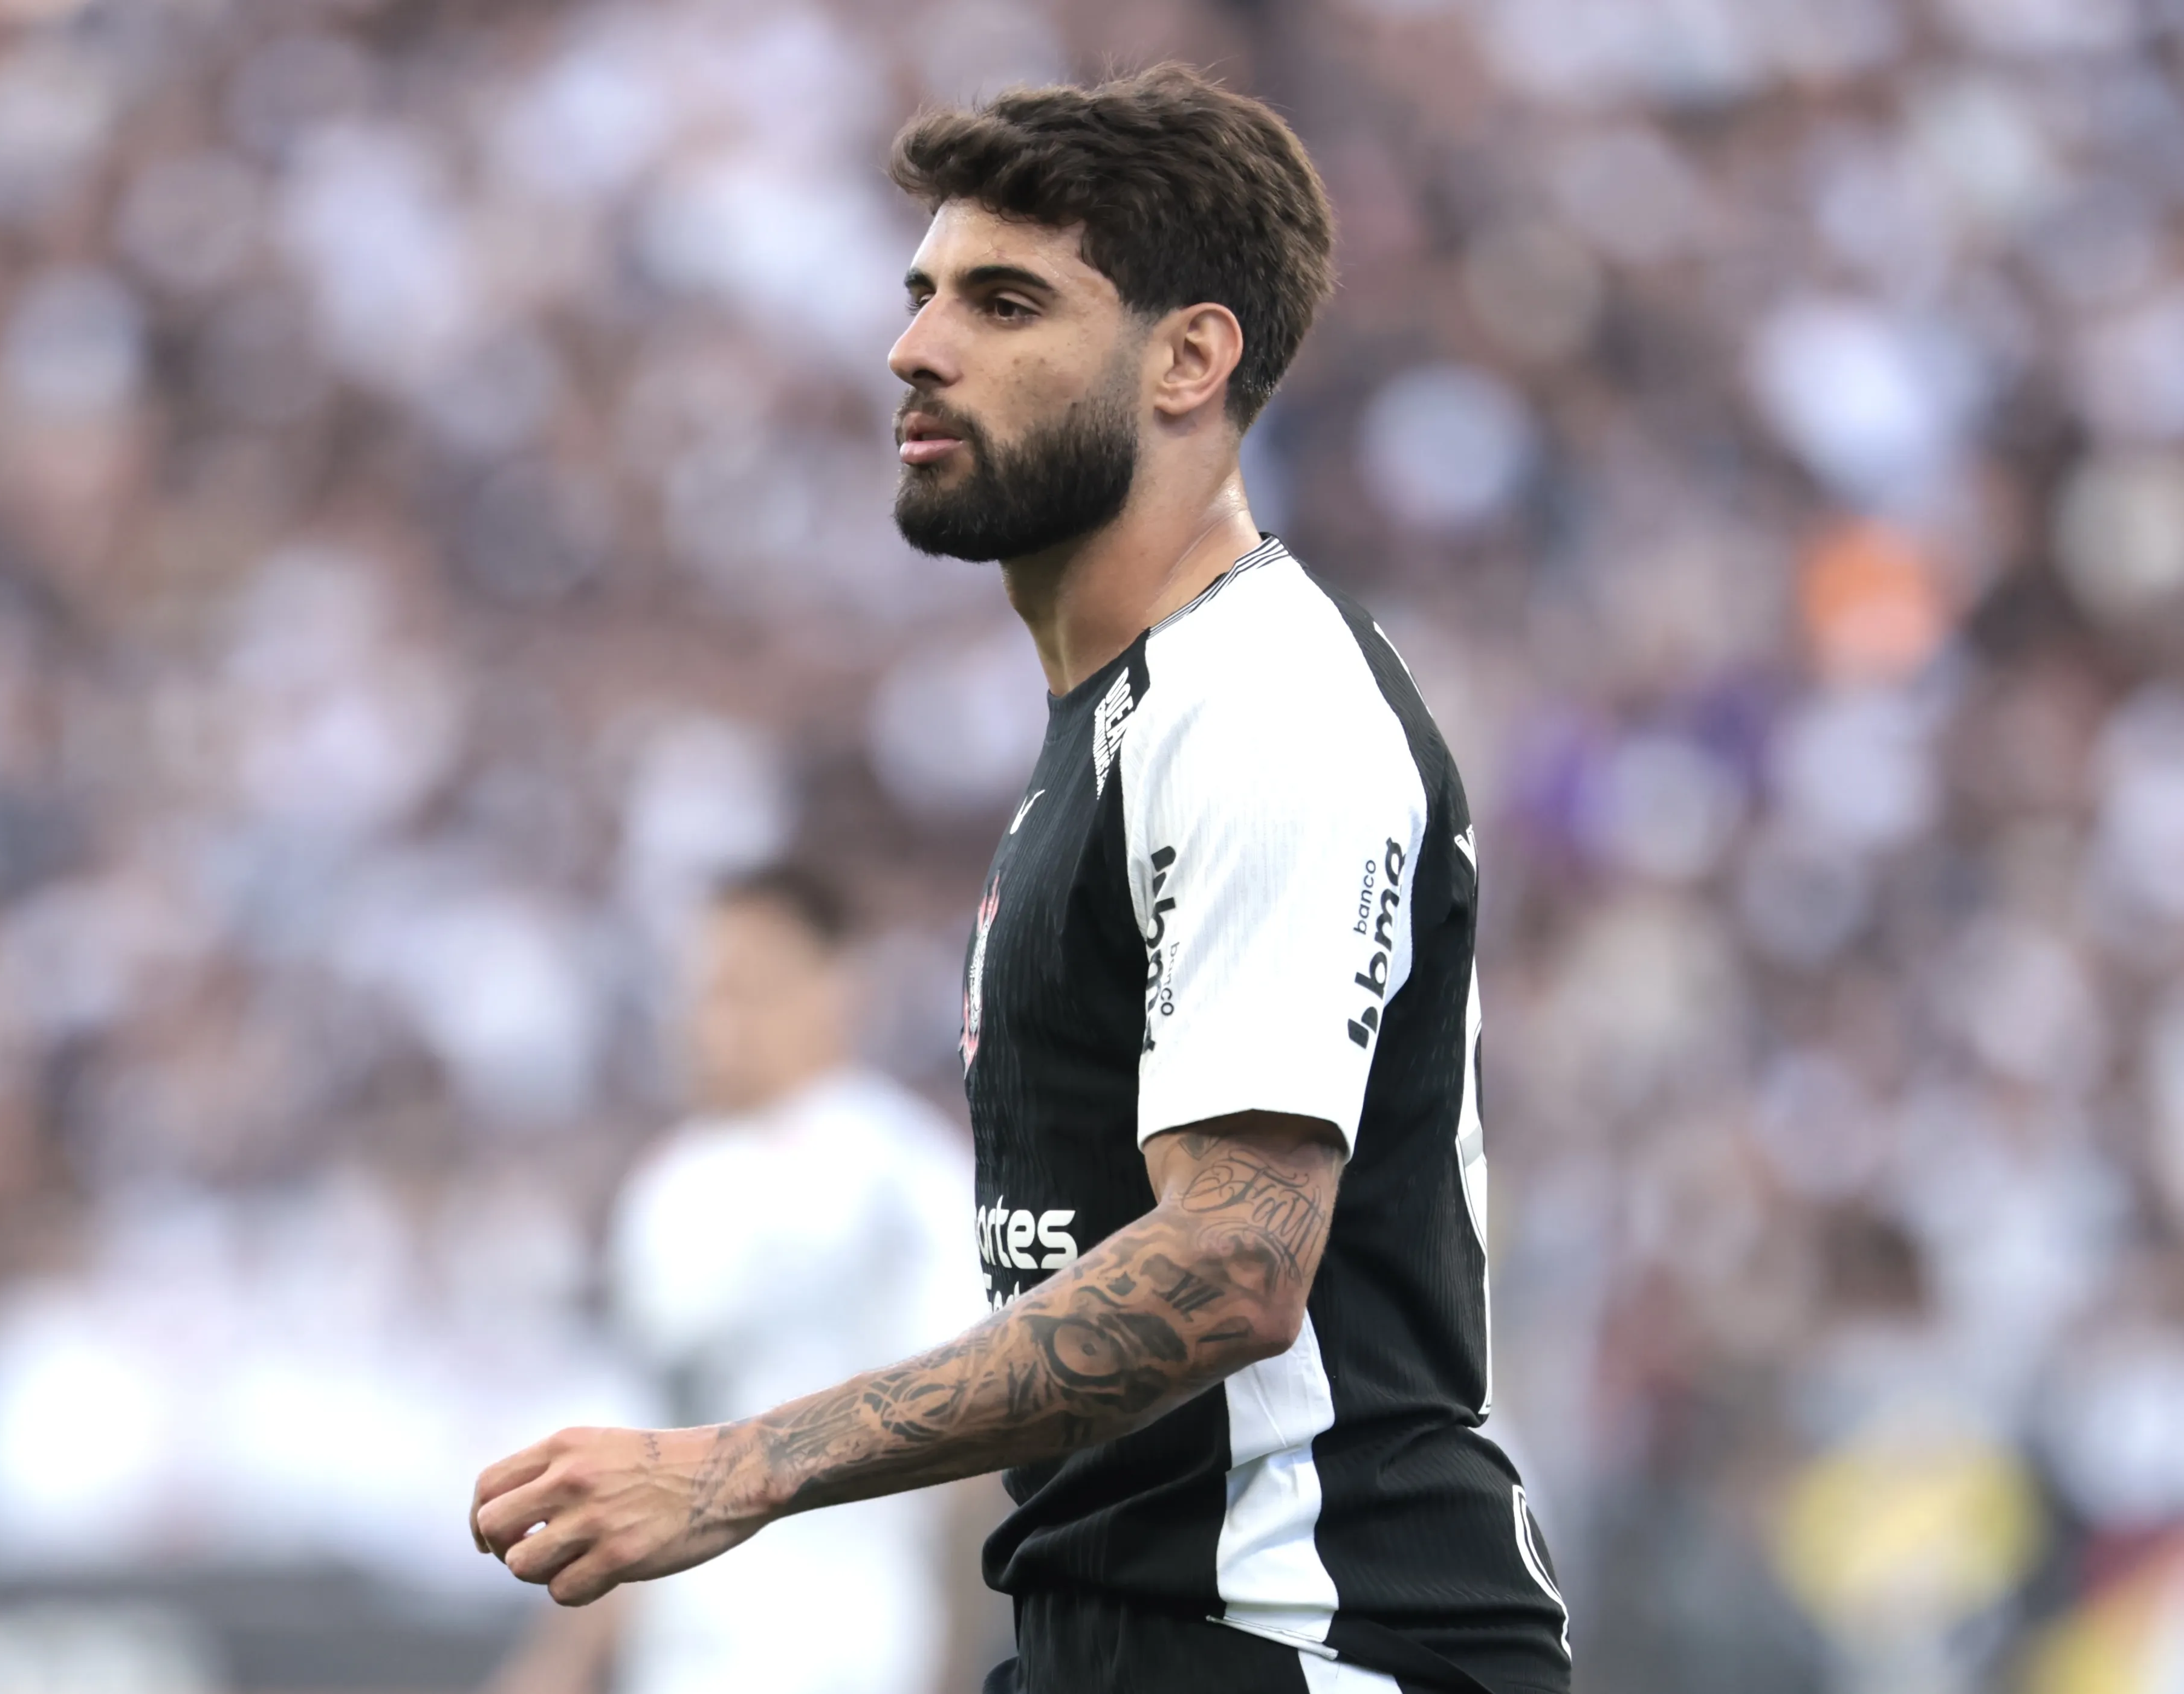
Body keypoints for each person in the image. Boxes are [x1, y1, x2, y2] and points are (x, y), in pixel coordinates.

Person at [471, 66, 1572, 1694]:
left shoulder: (1261, 701)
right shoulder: (1112, 724)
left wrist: (738, 1466)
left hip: (1308, 1643)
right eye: (920, 297)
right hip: (1120, 1641)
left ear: (1188, 359)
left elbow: (1233, 1263)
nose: (917, 348)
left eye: (1003, 304)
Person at [482, 865, 993, 1694]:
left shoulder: (903, 1178)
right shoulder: (667, 1191)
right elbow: (635, 1440)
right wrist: (559, 1663)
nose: (714, 1023)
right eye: (701, 993)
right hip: (684, 1655)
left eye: (746, 989)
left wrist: (952, 1657)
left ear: (836, 986)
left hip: (852, 1649)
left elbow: (968, 1441)